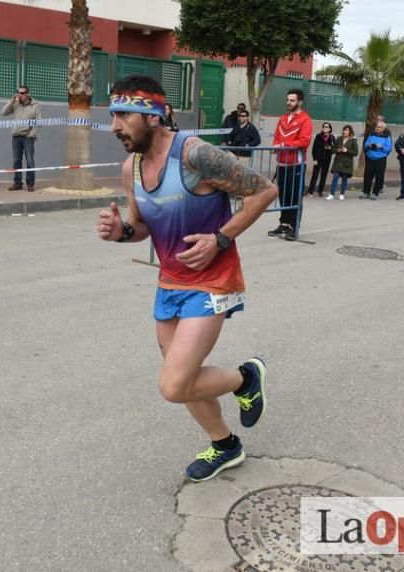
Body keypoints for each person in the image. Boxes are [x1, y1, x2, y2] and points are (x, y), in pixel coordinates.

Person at [96, 74, 278, 482]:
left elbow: (265, 192)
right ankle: (225, 444)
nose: (114, 126)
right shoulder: (132, 168)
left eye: (123, 115)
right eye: (113, 116)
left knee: (174, 386)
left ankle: (245, 378)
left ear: (154, 115)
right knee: (188, 378)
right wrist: (120, 232)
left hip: (212, 282)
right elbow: (141, 226)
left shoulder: (196, 156)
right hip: (170, 283)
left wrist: (220, 238)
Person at [268, 90, 313, 239]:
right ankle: (284, 224)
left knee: (294, 197)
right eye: (288, 100)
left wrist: (283, 144)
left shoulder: (305, 120)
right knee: (284, 197)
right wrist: (276, 146)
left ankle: (293, 227)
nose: (289, 102)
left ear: (300, 102)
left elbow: (304, 141)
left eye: (292, 100)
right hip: (282, 164)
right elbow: (276, 137)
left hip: (296, 164)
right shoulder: (282, 118)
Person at [3, 84, 42, 192]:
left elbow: (39, 121)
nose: (20, 95)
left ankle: (30, 183)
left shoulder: (35, 105)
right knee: (16, 161)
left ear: (28, 94)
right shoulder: (15, 104)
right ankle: (17, 183)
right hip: (16, 137)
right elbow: (3, 112)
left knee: (30, 161)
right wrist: (11, 101)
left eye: (23, 93)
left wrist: (31, 134)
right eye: (19, 93)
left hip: (28, 137)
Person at [360, 120, 393, 199]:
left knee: (379, 176)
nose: (377, 128)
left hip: (380, 159)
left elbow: (389, 148)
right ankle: (366, 192)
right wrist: (369, 145)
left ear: (383, 129)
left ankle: (375, 193)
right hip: (370, 158)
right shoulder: (371, 135)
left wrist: (381, 146)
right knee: (367, 176)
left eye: (379, 127)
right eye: (377, 127)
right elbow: (365, 145)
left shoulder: (387, 137)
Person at [326, 125, 358, 200]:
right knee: (335, 177)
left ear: (350, 131)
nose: (345, 131)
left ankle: (342, 194)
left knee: (344, 178)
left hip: (347, 163)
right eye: (344, 130)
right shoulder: (339, 139)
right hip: (338, 161)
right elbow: (333, 149)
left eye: (346, 130)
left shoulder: (353, 140)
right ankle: (331, 194)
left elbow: (355, 152)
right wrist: (337, 150)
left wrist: (347, 151)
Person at [306, 122, 336, 197]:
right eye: (323, 127)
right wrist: (314, 159)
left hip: (327, 159)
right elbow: (314, 148)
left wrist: (330, 148)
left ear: (329, 129)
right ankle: (310, 191)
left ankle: (320, 191)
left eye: (326, 127)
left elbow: (334, 149)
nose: (324, 128)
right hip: (318, 159)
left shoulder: (332, 137)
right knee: (315, 175)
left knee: (324, 175)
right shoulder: (318, 136)